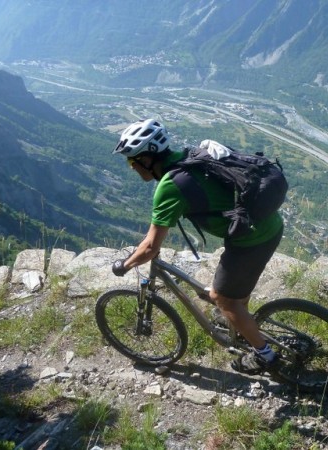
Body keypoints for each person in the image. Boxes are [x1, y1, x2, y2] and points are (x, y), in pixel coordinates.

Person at [110, 118, 284, 375]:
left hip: (251, 240)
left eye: (132, 161)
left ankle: (265, 355)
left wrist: (124, 266)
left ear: (149, 158)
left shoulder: (169, 187)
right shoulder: (189, 155)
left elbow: (150, 248)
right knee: (234, 296)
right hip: (267, 225)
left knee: (222, 300)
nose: (132, 167)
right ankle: (240, 319)